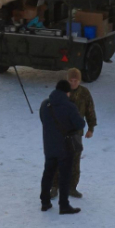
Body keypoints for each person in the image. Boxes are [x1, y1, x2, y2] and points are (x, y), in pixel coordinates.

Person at [39, 80, 84, 214]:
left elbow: (43, 120)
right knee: (65, 176)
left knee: (48, 173)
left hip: (49, 145)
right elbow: (80, 124)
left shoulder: (45, 105)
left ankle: (45, 202)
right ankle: (64, 205)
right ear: (67, 92)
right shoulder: (70, 107)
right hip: (65, 146)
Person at [61, 68, 95, 198]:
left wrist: (91, 128)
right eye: (71, 80)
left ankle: (72, 187)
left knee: (75, 161)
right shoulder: (61, 92)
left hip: (76, 133)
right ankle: (55, 186)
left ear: (80, 81)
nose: (73, 83)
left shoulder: (84, 93)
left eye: (76, 80)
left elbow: (90, 110)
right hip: (61, 131)